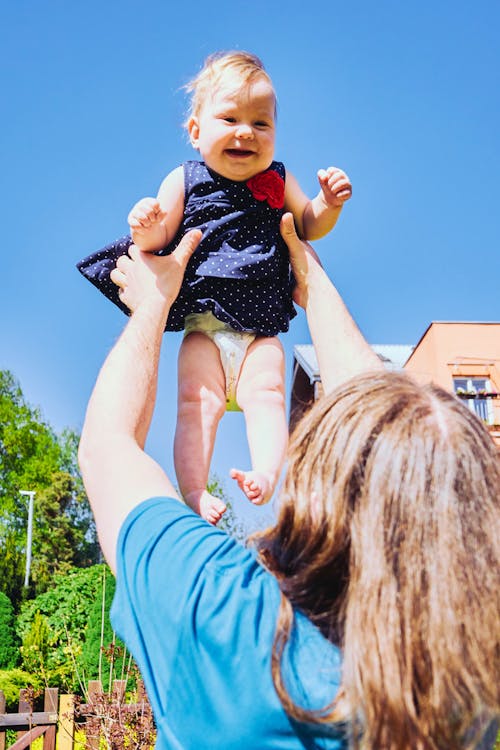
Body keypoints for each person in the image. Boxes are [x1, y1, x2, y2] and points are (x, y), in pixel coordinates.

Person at [78, 214, 500, 750]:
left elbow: (106, 445)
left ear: (316, 487)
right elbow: (390, 452)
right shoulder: (462, 683)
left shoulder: (221, 613)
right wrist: (312, 280)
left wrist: (153, 305)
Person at [77, 50, 352, 524]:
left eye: (260, 123)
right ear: (196, 131)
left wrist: (328, 204)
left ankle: (266, 474)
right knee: (195, 404)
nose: (246, 131)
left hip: (260, 331)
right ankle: (195, 491)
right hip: (203, 326)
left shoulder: (279, 179)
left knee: (267, 393)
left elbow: (307, 225)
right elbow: (159, 238)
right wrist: (145, 224)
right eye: (230, 118)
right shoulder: (184, 178)